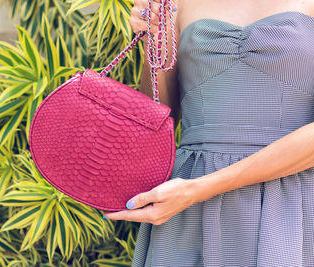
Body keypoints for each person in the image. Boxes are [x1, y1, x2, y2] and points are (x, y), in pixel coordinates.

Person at [102, 0, 314, 266]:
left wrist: (198, 190)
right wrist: (154, 41)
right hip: (184, 205)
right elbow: (158, 120)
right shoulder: (174, 2)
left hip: (286, 204)